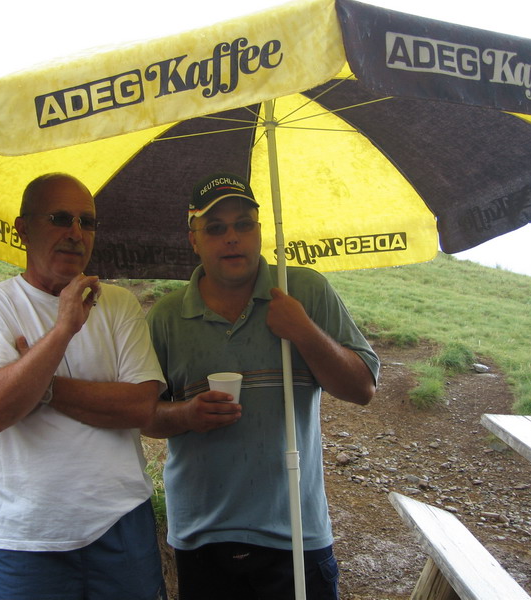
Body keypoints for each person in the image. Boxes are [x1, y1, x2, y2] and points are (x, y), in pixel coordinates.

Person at [143, 172, 380, 599]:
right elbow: (146, 417)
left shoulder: (304, 290)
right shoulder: (166, 317)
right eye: (215, 228)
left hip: (296, 532)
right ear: (194, 240)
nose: (232, 237)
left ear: (259, 230)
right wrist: (186, 414)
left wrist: (303, 330)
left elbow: (362, 388)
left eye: (243, 224)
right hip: (201, 533)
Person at [0, 173, 167, 600]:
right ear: (23, 228)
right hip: (25, 535)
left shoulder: (119, 304)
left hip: (121, 522)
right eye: (61, 218)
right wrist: (64, 327)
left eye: (88, 222)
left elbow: (141, 407)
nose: (76, 233)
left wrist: (39, 385)